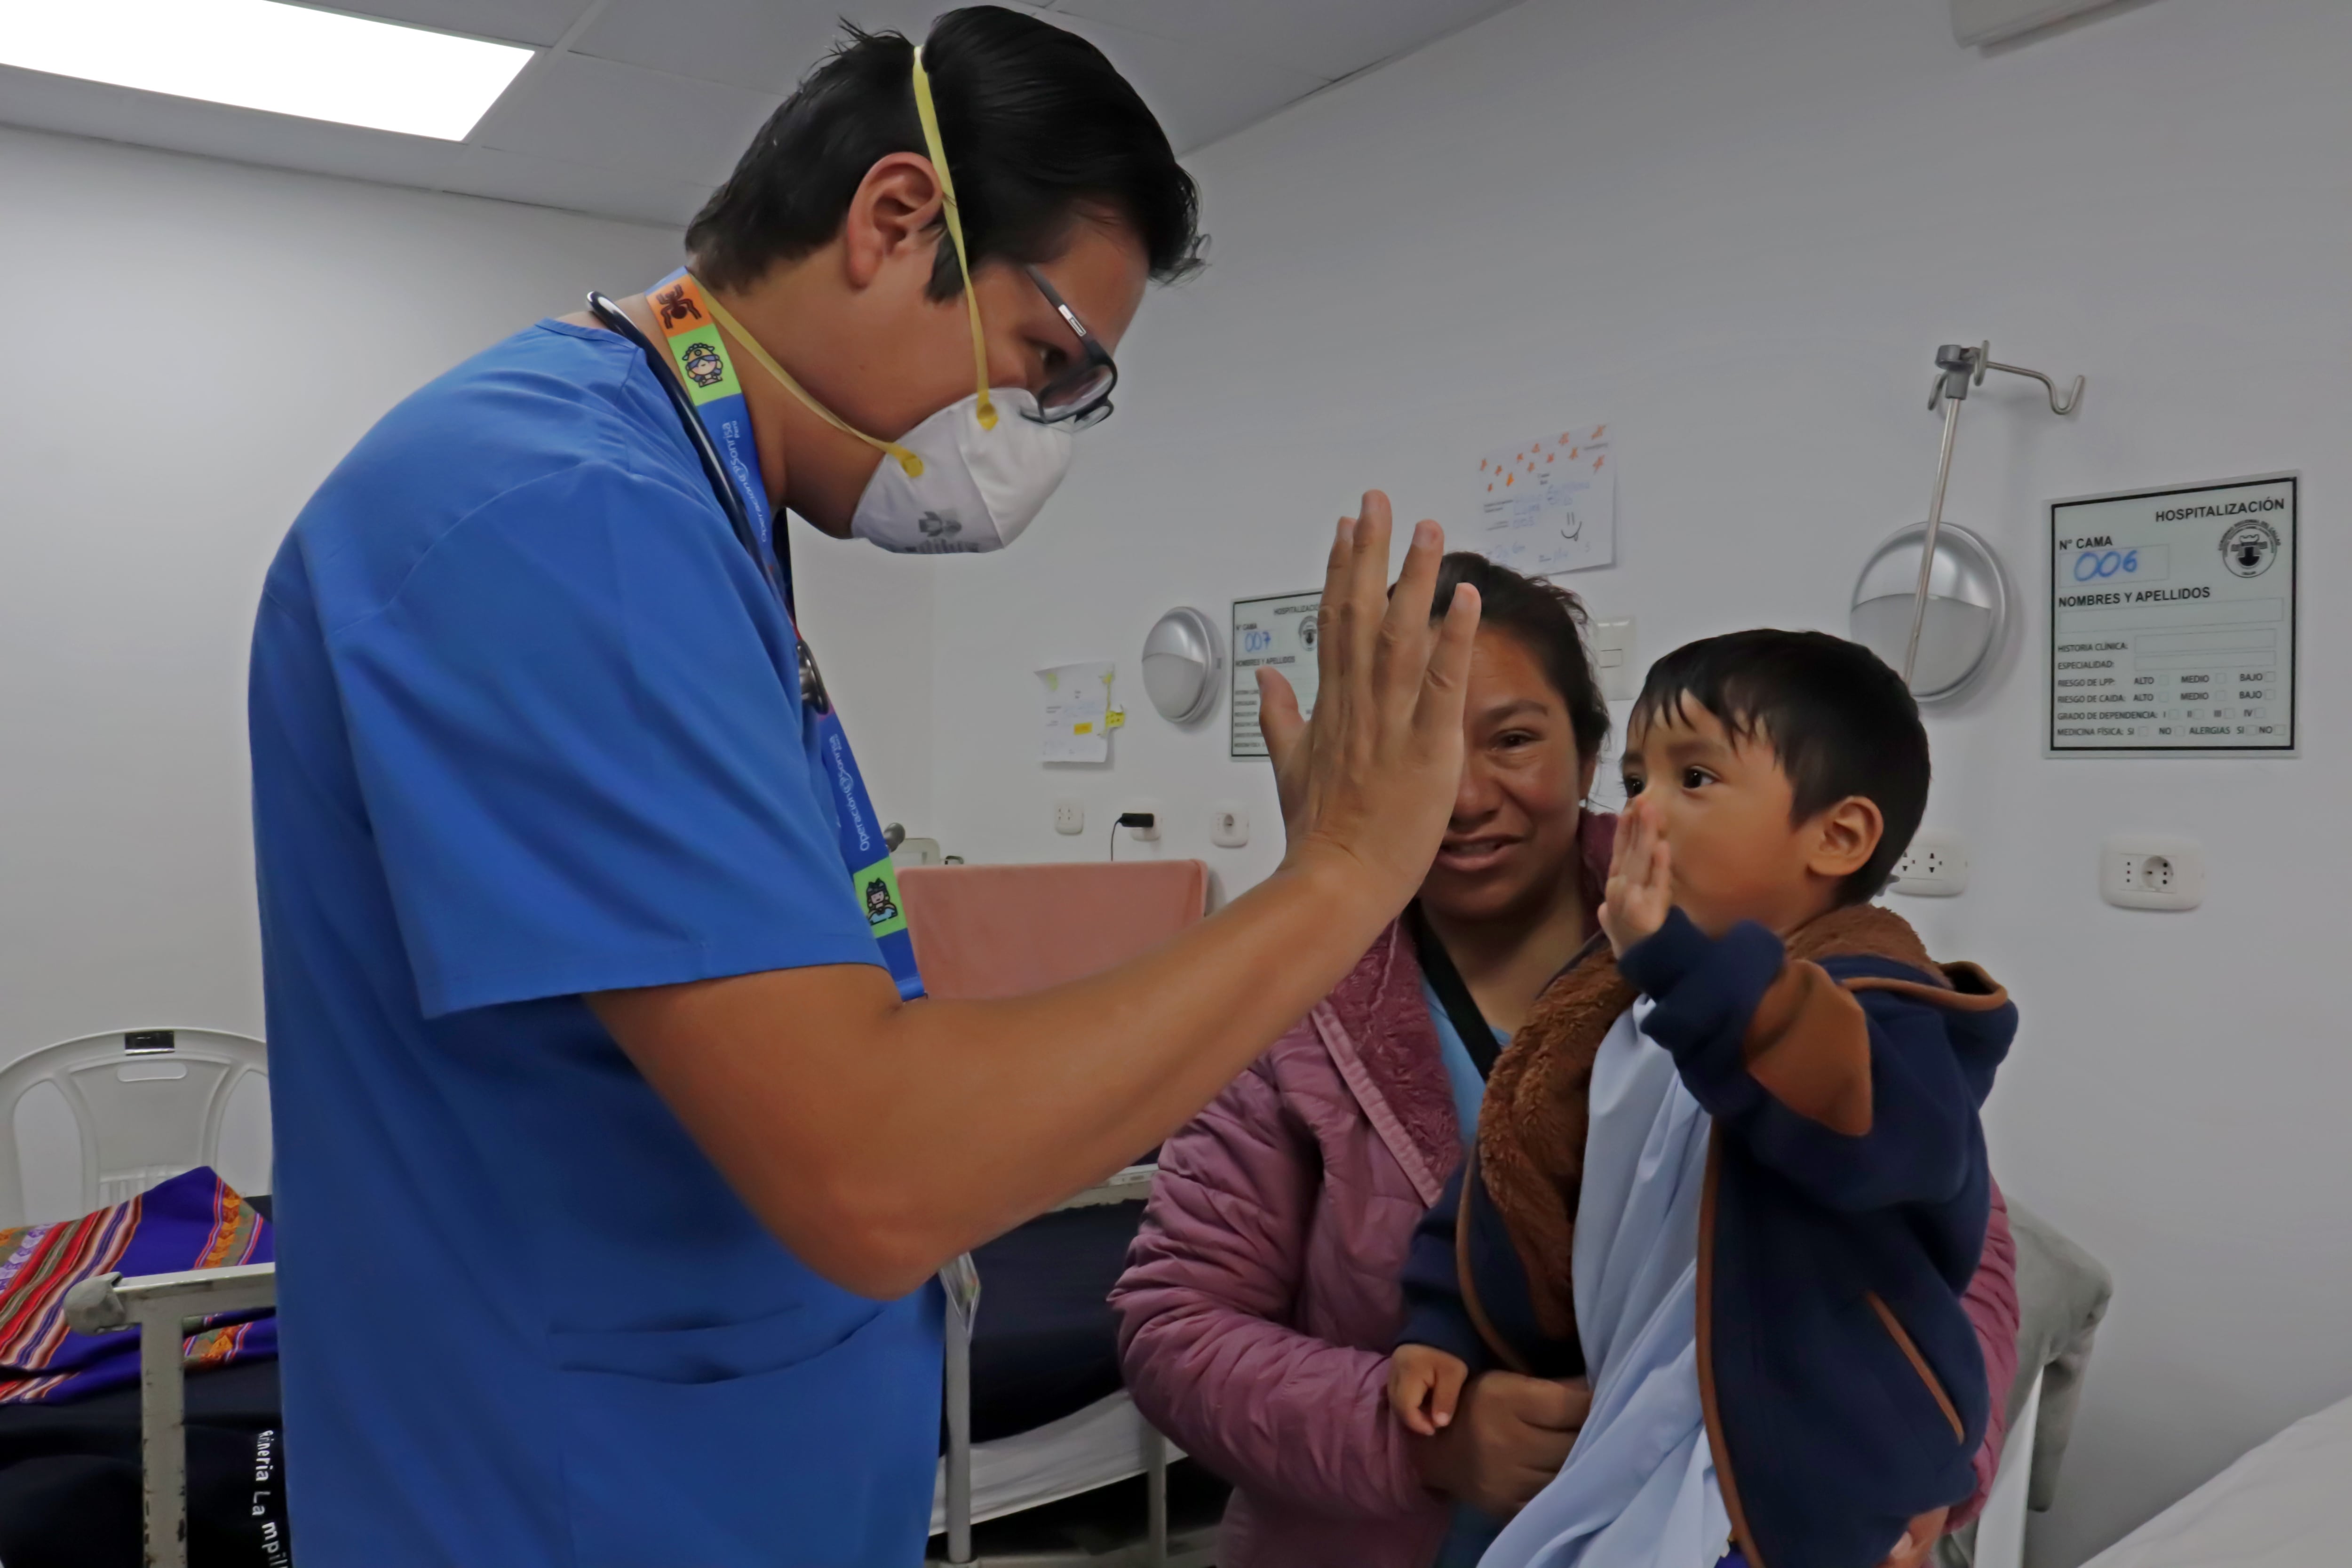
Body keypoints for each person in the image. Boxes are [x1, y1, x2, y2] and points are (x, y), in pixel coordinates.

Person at [245, 11, 1482, 1565]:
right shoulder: (559, 515)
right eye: (1050, 361)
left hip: (726, 1478)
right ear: (899, 222)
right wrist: (1342, 880)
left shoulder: (690, 510)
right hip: (578, 1500)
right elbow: (876, 1171)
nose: (1035, 437)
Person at [1112, 571, 2020, 1568]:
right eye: (1419, 748)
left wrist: (1924, 1467)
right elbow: (1175, 1325)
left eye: (1509, 738)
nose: (1461, 794)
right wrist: (1418, 1433)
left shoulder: (1794, 970)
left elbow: (1941, 1241)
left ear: (1582, 751)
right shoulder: (1284, 992)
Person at [1391, 631, 2015, 1568]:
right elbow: (1506, 1176)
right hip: (1626, 1442)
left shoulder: (1876, 1007)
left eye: (1695, 778)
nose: (1644, 812)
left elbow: (1882, 1136)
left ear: (1837, 835)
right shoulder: (1605, 1004)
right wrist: (1438, 1324)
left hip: (1785, 1480)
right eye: (1637, 779)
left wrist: (1682, 965)